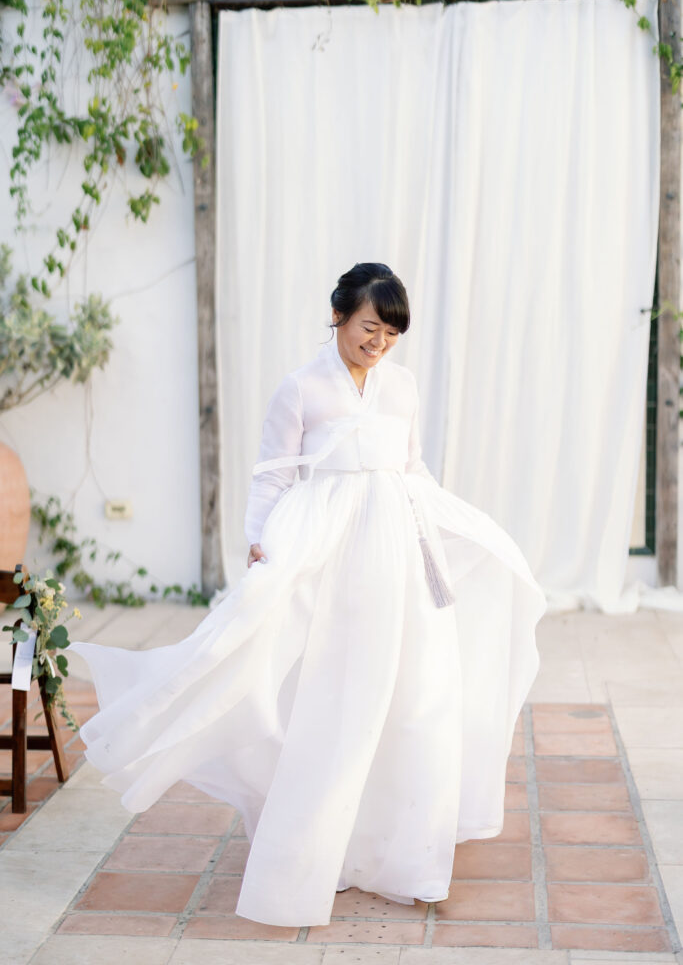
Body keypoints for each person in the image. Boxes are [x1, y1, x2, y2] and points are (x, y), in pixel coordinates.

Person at [69, 262, 547, 928]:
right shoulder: (301, 389)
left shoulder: (401, 388)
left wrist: (445, 527)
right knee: (337, 701)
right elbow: (272, 475)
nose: (378, 342)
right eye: (369, 328)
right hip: (332, 556)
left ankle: (406, 858)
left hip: (399, 560)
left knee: (415, 701)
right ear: (339, 316)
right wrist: (259, 542)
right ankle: (315, 853)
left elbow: (412, 468)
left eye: (390, 333)